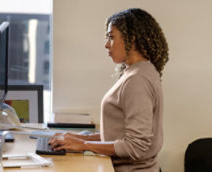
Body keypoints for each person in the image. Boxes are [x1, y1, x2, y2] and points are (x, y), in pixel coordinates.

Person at [49, 8, 169, 172]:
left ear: (131, 38)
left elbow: (136, 146)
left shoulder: (137, 80)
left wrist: (84, 145)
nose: (106, 44)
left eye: (111, 37)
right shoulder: (139, 71)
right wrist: (81, 138)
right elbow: (119, 136)